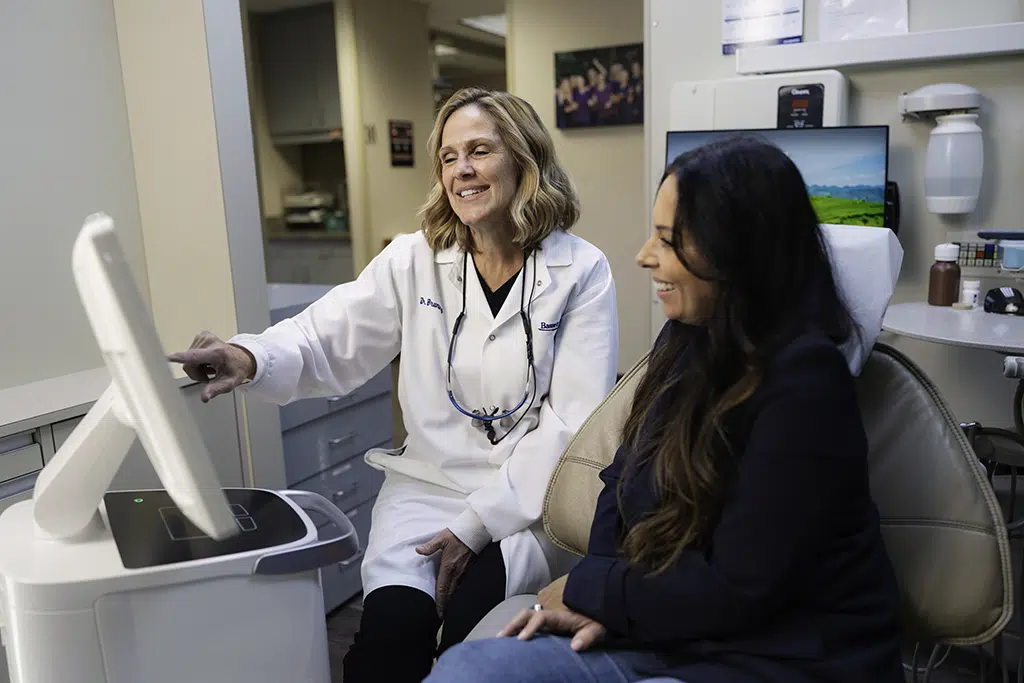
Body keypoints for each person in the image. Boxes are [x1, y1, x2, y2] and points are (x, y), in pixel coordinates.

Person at [169, 88, 619, 683]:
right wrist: (248, 356)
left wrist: (478, 524)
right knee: (389, 638)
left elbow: (572, 425)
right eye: (449, 156)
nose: (462, 169)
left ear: (523, 159)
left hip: (524, 502)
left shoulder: (580, 270)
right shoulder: (415, 260)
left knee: (470, 638)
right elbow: (325, 334)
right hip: (427, 490)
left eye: (480, 151)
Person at [424, 136, 904, 683]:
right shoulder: (686, 342)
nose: (644, 256)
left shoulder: (806, 382)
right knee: (470, 668)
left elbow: (741, 587)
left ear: (737, 252)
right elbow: (620, 477)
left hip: (775, 657)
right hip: (673, 629)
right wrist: (606, 595)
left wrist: (594, 591)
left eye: (669, 240)